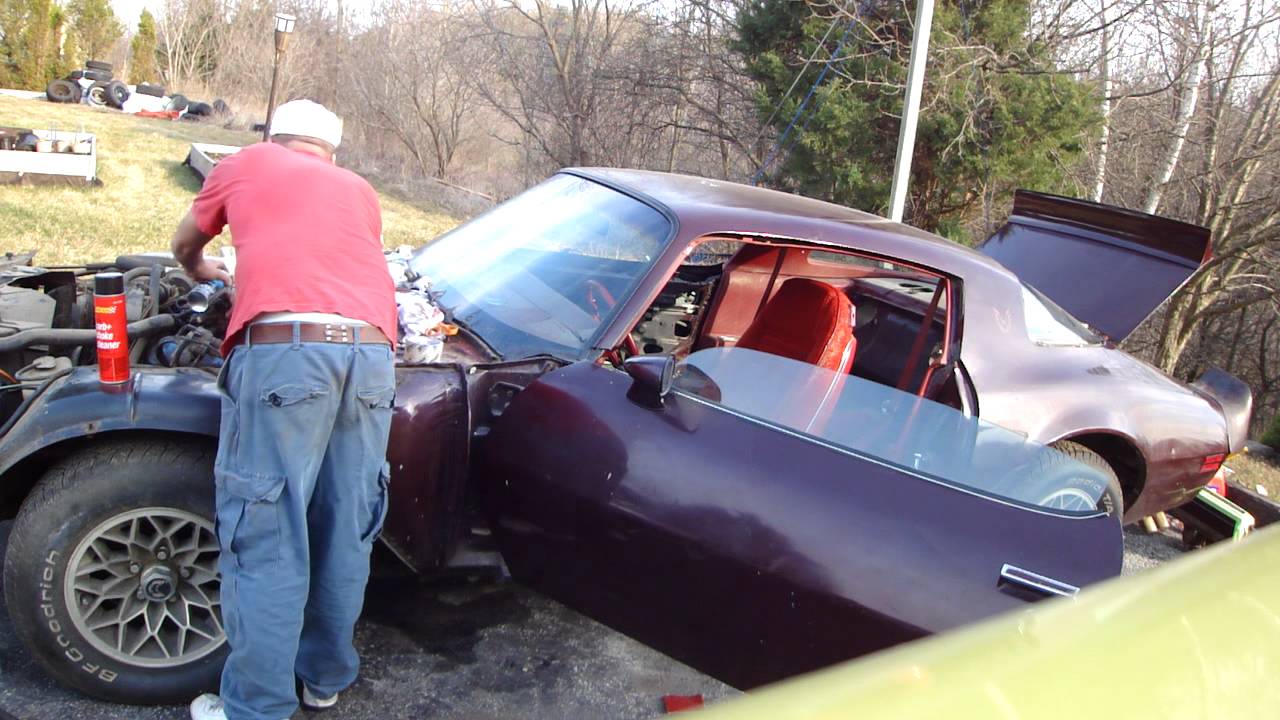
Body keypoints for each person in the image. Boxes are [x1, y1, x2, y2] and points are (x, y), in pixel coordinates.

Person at [172, 99, 398, 720]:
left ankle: (255, 707)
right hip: (372, 357)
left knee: (267, 531)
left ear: (274, 137)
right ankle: (323, 679)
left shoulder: (247, 162)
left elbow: (185, 243)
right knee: (346, 524)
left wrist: (203, 270)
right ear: (332, 152)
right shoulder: (359, 190)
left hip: (287, 356)